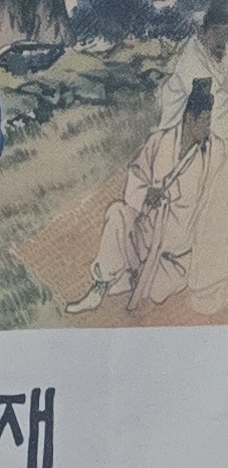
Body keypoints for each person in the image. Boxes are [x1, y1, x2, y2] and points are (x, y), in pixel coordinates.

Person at [69, 76, 217, 312]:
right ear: (190, 119)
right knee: (117, 212)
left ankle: (128, 276)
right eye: (205, 121)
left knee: (154, 293)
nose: (208, 128)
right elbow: (136, 175)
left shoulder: (211, 156)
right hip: (144, 235)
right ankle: (100, 285)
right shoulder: (159, 141)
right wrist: (147, 194)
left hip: (173, 255)